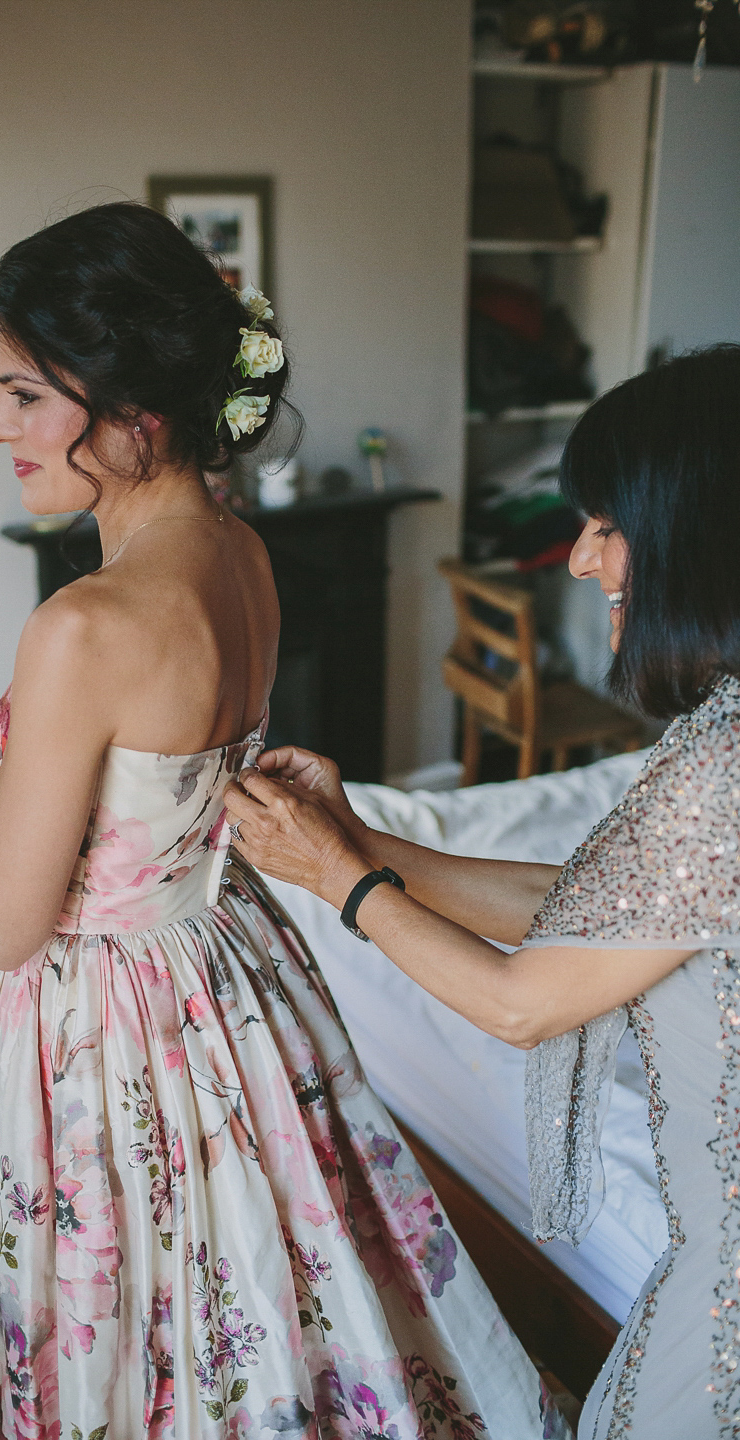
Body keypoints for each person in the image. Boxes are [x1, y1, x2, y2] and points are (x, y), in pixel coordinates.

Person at [0, 203, 565, 1439]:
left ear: (133, 409)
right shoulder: (240, 556)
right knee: (264, 1286)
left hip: (105, 1019)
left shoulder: (86, 624)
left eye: (25, 395)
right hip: (226, 966)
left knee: (124, 1310)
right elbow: (115, 785)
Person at [224, 344, 740, 1440]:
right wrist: (364, 836)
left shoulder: (720, 772)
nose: (582, 561)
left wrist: (341, 880)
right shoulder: (722, 745)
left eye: (607, 526)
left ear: (693, 539)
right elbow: (596, 903)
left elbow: (523, 1004)